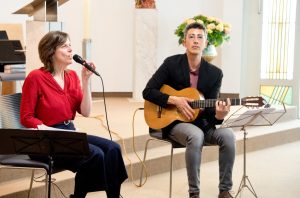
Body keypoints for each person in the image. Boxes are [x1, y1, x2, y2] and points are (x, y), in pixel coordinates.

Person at [20, 31, 128, 198]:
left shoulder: (72, 76)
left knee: (113, 148)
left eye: (70, 45)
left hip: (69, 133)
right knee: (94, 154)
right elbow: (26, 117)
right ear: (50, 51)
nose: (71, 50)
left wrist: (86, 81)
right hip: (45, 139)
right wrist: (51, 130)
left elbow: (85, 112)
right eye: (64, 46)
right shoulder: (36, 77)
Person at [143, 22, 235, 198]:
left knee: (229, 136)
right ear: (184, 42)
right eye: (191, 36)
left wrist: (219, 115)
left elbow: (210, 109)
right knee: (195, 135)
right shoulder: (171, 64)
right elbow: (148, 92)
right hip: (174, 122)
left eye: (200, 37)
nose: (195, 40)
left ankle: (224, 190)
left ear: (206, 43)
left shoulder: (215, 73)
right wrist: (174, 100)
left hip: (203, 124)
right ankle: (194, 193)